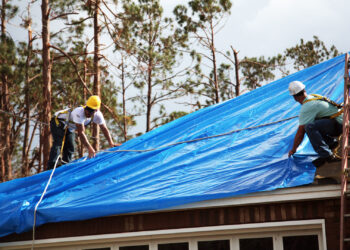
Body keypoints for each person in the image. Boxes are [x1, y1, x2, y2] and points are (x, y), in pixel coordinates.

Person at [47, 95, 120, 170]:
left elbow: (104, 128)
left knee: (71, 147)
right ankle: (51, 167)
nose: (88, 112)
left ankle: (65, 166)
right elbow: (81, 133)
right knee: (58, 143)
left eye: (91, 110)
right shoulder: (79, 113)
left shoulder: (98, 115)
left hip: (69, 127)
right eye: (87, 109)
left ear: (96, 110)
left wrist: (111, 143)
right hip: (58, 122)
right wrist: (89, 148)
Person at [288, 81, 343, 167]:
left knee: (309, 127)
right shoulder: (314, 96)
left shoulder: (307, 107)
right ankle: (331, 143)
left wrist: (293, 150)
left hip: (339, 124)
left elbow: (300, 132)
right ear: (304, 90)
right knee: (313, 122)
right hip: (341, 120)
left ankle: (326, 155)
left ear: (294, 97)